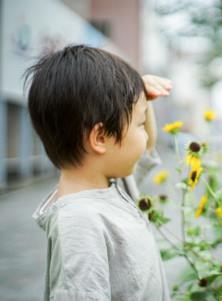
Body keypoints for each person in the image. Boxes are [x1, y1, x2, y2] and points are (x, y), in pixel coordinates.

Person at [27, 44, 172, 300]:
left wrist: (141, 98)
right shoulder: (80, 223)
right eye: (140, 124)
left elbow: (147, 146)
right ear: (101, 137)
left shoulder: (111, 182)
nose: (146, 133)